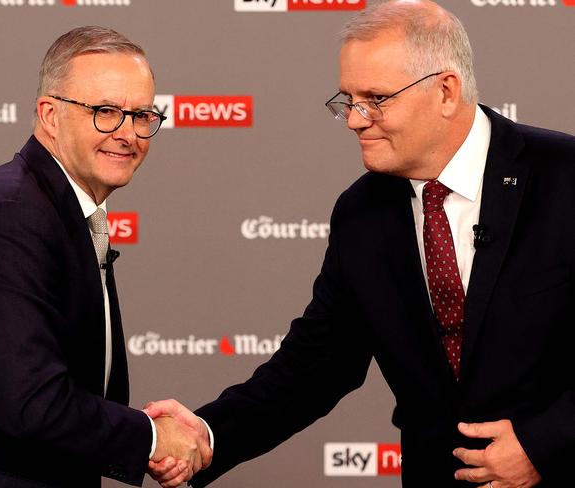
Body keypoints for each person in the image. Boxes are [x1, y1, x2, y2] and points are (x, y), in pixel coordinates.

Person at [145, 1, 575, 487]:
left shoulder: (564, 177)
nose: (354, 119)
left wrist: (545, 444)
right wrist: (207, 434)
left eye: (375, 98)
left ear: (446, 92)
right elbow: (316, 364)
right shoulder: (362, 213)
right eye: (348, 100)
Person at [0, 26, 211, 487]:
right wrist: (153, 439)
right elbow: (32, 404)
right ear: (50, 116)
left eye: (141, 115)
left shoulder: (63, 207)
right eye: (104, 112)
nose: (127, 133)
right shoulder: (11, 215)